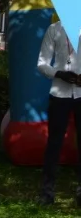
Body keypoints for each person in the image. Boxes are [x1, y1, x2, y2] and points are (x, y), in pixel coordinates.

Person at [36, 19, 81, 206]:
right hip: (59, 94)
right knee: (54, 143)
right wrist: (58, 73)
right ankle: (47, 192)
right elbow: (42, 63)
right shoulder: (54, 29)